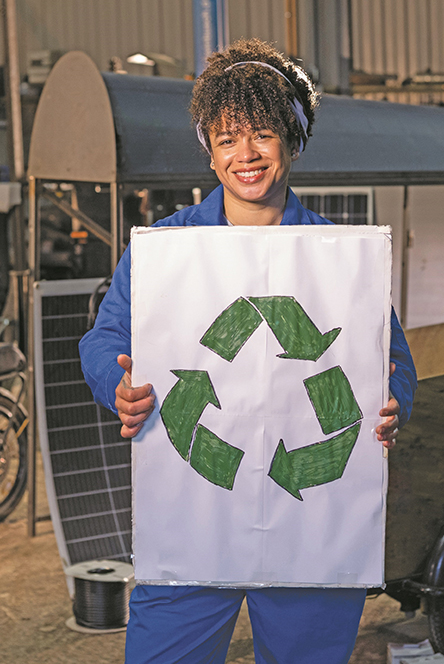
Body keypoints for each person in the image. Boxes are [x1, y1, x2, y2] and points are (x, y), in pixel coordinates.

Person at [79, 38, 417, 664]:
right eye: (228, 136)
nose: (247, 154)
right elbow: (104, 340)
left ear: (292, 139)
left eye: (262, 134)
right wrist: (115, 384)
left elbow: (392, 359)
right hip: (190, 516)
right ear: (208, 148)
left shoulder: (338, 260)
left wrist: (394, 398)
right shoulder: (166, 251)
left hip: (311, 527)